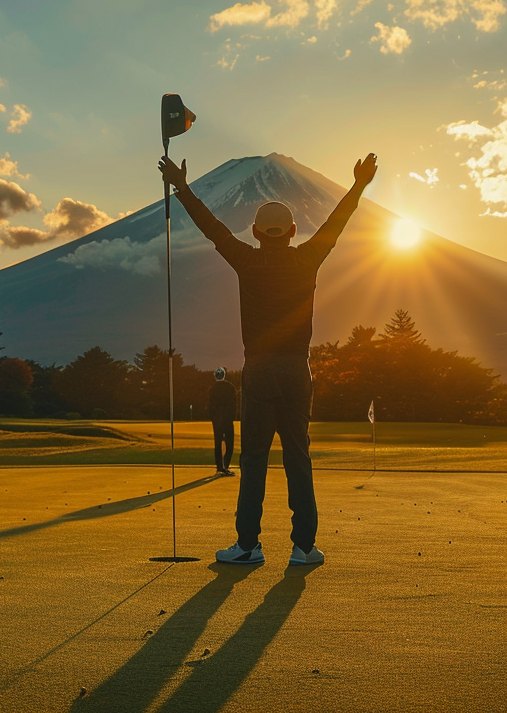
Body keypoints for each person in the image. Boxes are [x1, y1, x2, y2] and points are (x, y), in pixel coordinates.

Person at [158, 151, 379, 567]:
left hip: (258, 369)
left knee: (254, 459)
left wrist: (182, 187)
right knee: (299, 457)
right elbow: (337, 223)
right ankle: (304, 547)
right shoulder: (307, 257)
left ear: (257, 234)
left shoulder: (247, 258)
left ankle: (247, 546)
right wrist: (358, 185)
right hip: (298, 369)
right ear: (293, 231)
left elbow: (213, 230)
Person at [209, 367, 237, 476]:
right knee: (229, 444)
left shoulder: (212, 389)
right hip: (228, 420)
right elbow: (234, 405)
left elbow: (211, 406)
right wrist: (231, 418)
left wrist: (214, 419)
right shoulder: (231, 387)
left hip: (217, 421)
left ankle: (220, 466)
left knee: (218, 444)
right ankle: (225, 465)